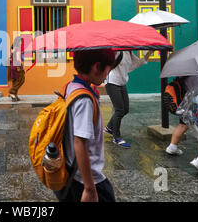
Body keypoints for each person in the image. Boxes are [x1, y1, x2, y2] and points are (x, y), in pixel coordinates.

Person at [55, 49, 117, 202]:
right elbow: (79, 142)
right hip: (88, 178)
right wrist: (89, 189)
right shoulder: (84, 100)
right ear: (97, 67)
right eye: (108, 69)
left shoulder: (71, 86)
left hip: (72, 171)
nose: (107, 74)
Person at [104, 50, 153, 148]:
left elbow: (139, 62)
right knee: (119, 110)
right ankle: (116, 137)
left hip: (122, 83)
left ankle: (109, 127)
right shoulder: (117, 51)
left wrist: (150, 52)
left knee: (125, 109)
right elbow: (107, 61)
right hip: (112, 82)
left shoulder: (129, 52)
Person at [165, 75, 198, 155]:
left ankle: (172, 147)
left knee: (183, 125)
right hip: (194, 104)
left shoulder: (182, 75)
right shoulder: (196, 77)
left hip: (185, 104)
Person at [8, 36, 26, 102]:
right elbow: (18, 59)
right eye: (21, 41)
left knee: (15, 81)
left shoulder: (12, 48)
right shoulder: (18, 49)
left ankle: (15, 95)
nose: (21, 43)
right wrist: (23, 66)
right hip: (17, 67)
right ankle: (12, 92)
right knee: (21, 80)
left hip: (12, 67)